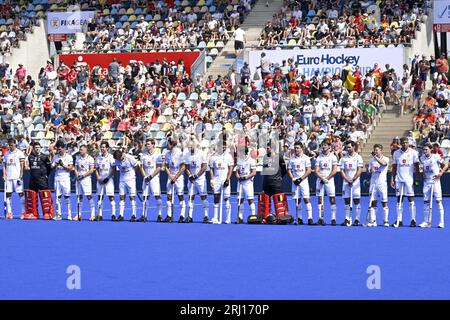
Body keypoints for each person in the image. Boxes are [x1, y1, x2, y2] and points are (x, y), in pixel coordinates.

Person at [390, 137, 420, 227]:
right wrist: (392, 179)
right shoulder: (396, 153)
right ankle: (399, 220)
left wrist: (417, 179)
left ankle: (413, 220)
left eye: (406, 142)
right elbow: (394, 167)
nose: (404, 144)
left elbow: (417, 166)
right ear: (400, 143)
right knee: (399, 200)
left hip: (409, 180)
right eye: (403, 143)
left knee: (410, 199)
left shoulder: (413, 153)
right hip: (399, 179)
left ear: (408, 143)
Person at [419, 143, 448, 228]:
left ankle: (441, 222)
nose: (425, 151)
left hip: (435, 181)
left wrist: (440, 173)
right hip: (427, 182)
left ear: (431, 149)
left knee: (438, 201)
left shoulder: (436, 157)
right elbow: (423, 169)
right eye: (424, 150)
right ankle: (426, 221)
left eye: (426, 149)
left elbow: (446, 165)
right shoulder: (422, 158)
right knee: (426, 202)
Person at [107, 149, 138, 222]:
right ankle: (121, 215)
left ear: (121, 155)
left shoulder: (130, 158)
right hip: (122, 180)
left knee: (132, 197)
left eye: (119, 159)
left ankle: (134, 215)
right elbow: (116, 168)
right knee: (121, 197)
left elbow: (136, 166)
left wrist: (133, 174)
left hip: (131, 179)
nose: (118, 160)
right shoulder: (116, 160)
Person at [25, 141, 53, 219]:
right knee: (32, 196)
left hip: (42, 180)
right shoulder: (30, 157)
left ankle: (47, 213)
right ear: (33, 149)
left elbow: (49, 168)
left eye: (38, 147)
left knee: (45, 196)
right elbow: (30, 167)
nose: (37, 149)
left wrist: (46, 175)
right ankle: (34, 214)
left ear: (40, 148)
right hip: (33, 180)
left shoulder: (44, 157)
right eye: (36, 148)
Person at [287, 142, 313, 225]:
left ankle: (310, 218)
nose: (296, 149)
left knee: (306, 199)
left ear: (302, 148)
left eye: (298, 148)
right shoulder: (292, 158)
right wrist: (293, 179)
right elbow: (289, 170)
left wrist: (301, 179)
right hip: (295, 182)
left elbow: (309, 170)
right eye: (295, 148)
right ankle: (299, 218)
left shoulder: (306, 158)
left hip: (303, 181)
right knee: (297, 200)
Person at [339, 140, 364, 226]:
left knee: (356, 200)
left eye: (349, 147)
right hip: (346, 182)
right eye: (347, 147)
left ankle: (357, 219)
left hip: (355, 183)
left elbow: (359, 170)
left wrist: (353, 179)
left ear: (354, 147)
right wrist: (346, 179)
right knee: (346, 200)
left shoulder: (358, 157)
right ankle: (347, 218)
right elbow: (341, 170)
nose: (348, 149)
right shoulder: (343, 158)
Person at [209, 140, 234, 224]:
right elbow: (212, 169)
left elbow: (231, 168)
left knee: (226, 198)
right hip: (216, 180)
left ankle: (228, 218)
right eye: (221, 146)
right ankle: (215, 217)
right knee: (216, 198)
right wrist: (212, 179)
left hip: (225, 179)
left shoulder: (228, 156)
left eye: (224, 146)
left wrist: (227, 179)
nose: (223, 147)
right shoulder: (213, 157)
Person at [185, 139, 209, 223]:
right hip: (192, 180)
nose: (190, 148)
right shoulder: (187, 155)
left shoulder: (202, 154)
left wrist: (196, 175)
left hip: (200, 179)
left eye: (191, 146)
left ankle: (206, 216)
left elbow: (204, 167)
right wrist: (190, 175)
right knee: (191, 197)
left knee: (203, 197)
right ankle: (189, 216)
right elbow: (187, 167)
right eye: (189, 146)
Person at [314, 139, 338, 226]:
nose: (323, 147)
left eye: (325, 145)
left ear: (329, 146)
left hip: (329, 181)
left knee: (332, 199)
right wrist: (322, 178)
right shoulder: (319, 157)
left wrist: (327, 178)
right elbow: (316, 170)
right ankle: (321, 218)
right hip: (320, 180)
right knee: (320, 199)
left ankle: (333, 218)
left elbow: (335, 170)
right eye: (322, 145)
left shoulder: (333, 157)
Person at [365, 144, 390, 227]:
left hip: (382, 183)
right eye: (375, 150)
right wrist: (367, 169)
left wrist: (375, 157)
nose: (375, 151)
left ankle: (385, 221)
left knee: (384, 202)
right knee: (373, 202)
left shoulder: (385, 158)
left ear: (381, 150)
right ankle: (373, 220)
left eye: (377, 150)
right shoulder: (372, 160)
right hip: (373, 183)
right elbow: (370, 172)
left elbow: (383, 164)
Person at [163, 137, 186, 223]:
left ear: (172, 144)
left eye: (168, 144)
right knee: (169, 196)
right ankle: (169, 216)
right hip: (170, 176)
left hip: (178, 177)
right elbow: (166, 166)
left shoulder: (180, 153)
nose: (167, 145)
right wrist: (170, 176)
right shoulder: (167, 154)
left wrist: (175, 177)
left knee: (180, 196)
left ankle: (182, 216)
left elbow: (183, 167)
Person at [139, 139, 163, 222]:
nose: (147, 146)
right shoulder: (143, 155)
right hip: (146, 178)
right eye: (146, 144)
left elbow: (159, 167)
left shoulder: (158, 155)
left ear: (153, 145)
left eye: (148, 144)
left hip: (154, 178)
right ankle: (143, 215)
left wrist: (151, 176)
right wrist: (145, 176)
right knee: (145, 196)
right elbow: (141, 167)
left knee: (157, 196)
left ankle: (159, 215)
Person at [2, 138, 25, 219]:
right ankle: (9, 212)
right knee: (8, 195)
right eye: (9, 145)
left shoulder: (20, 153)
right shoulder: (6, 154)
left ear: (15, 144)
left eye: (12, 145)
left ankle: (23, 212)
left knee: (20, 194)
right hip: (9, 178)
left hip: (17, 177)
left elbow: (22, 166)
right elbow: (4, 165)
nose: (10, 147)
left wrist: (21, 176)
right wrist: (4, 174)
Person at [51, 140, 74, 221]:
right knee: (57, 197)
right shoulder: (55, 157)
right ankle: (58, 215)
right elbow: (51, 167)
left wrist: (63, 165)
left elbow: (70, 168)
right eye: (57, 149)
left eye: (60, 149)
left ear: (64, 148)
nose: (58, 151)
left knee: (67, 197)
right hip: (57, 179)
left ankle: (69, 214)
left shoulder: (69, 157)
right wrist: (56, 164)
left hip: (65, 179)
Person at [94, 141, 116, 221]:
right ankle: (99, 214)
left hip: (108, 180)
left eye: (104, 147)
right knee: (100, 197)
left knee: (111, 197)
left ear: (107, 148)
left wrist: (107, 178)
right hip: (100, 180)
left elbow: (114, 169)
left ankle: (113, 214)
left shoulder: (111, 157)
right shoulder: (98, 158)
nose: (102, 149)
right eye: (101, 147)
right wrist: (98, 178)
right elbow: (96, 169)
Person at [235, 145, 257, 224]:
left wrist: (246, 177)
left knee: (250, 200)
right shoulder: (239, 161)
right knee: (240, 200)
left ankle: (253, 216)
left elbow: (254, 172)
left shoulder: (251, 160)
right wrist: (238, 177)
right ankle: (240, 217)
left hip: (248, 183)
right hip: (240, 183)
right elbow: (237, 172)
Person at [73, 145, 96, 221]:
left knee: (89, 196)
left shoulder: (90, 158)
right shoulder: (77, 157)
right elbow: (75, 169)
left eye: (82, 149)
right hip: (79, 179)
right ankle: (79, 214)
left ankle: (92, 214)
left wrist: (83, 176)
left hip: (86, 179)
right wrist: (77, 176)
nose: (80, 150)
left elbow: (92, 170)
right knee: (79, 197)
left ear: (86, 150)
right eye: (80, 149)